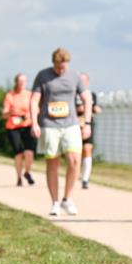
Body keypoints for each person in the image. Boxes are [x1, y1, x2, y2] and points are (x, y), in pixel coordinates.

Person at [30, 48, 91, 216]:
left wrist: (87, 123)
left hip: (70, 124)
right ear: (53, 63)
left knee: (74, 160)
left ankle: (67, 199)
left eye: (63, 67)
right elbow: (34, 100)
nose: (61, 70)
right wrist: (34, 123)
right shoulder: (43, 76)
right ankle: (55, 202)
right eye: (58, 67)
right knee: (53, 163)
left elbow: (87, 98)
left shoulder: (74, 75)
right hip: (49, 124)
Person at [2, 73, 37, 186]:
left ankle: (27, 172)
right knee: (18, 152)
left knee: (29, 151)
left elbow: (37, 110)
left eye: (24, 81)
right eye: (20, 81)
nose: (22, 83)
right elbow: (4, 114)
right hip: (13, 126)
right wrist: (10, 112)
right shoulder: (10, 96)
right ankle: (19, 178)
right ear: (16, 82)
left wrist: (29, 115)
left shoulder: (30, 95)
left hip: (27, 125)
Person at [76, 73, 101, 189]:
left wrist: (95, 109)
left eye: (84, 80)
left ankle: (85, 179)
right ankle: (74, 175)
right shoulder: (72, 94)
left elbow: (95, 108)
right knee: (75, 151)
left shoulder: (92, 95)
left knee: (87, 149)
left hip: (87, 124)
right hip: (74, 124)